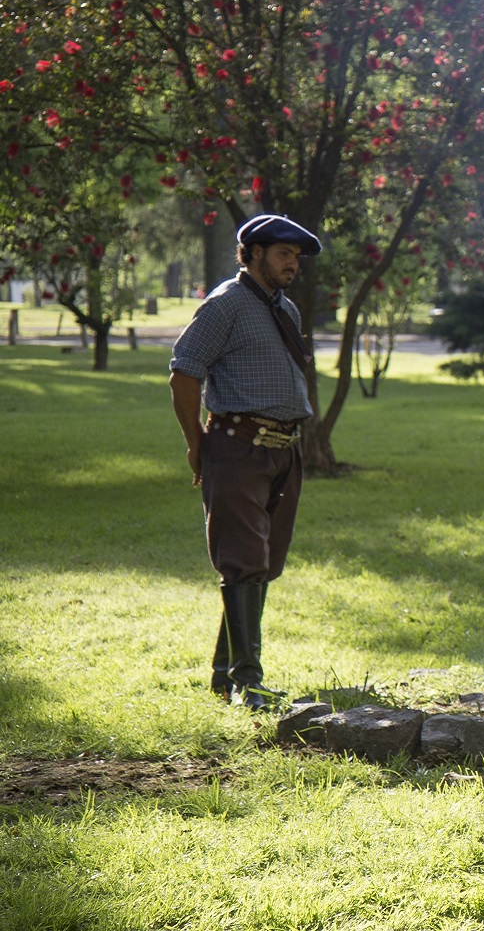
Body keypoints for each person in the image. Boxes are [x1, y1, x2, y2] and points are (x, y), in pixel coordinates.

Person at [168, 214, 321, 709]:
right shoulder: (226, 304)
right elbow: (185, 373)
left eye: (296, 256)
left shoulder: (285, 310)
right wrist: (197, 444)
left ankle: (223, 672)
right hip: (238, 446)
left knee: (261, 563)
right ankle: (247, 683)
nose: (292, 263)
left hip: (283, 450)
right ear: (253, 253)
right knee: (243, 559)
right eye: (283, 254)